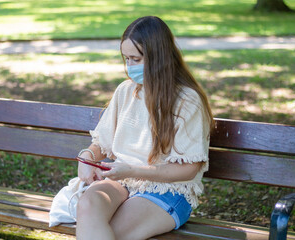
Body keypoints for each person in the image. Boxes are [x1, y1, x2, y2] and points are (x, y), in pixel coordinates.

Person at [76, 16, 214, 240]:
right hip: (122, 181)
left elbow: (188, 169)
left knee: (110, 233)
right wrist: (86, 157)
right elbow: (101, 143)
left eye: (136, 59)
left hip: (168, 191)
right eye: (126, 59)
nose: (129, 66)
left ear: (159, 57)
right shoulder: (126, 91)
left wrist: (131, 170)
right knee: (89, 203)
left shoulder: (187, 101)